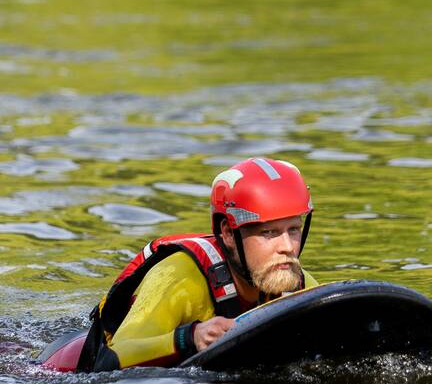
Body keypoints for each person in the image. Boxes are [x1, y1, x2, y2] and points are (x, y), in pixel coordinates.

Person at [75, 157, 317, 372]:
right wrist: (189, 338)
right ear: (228, 233)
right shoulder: (179, 277)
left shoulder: (292, 278)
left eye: (293, 229)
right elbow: (110, 358)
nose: (286, 246)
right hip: (66, 365)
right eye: (268, 233)